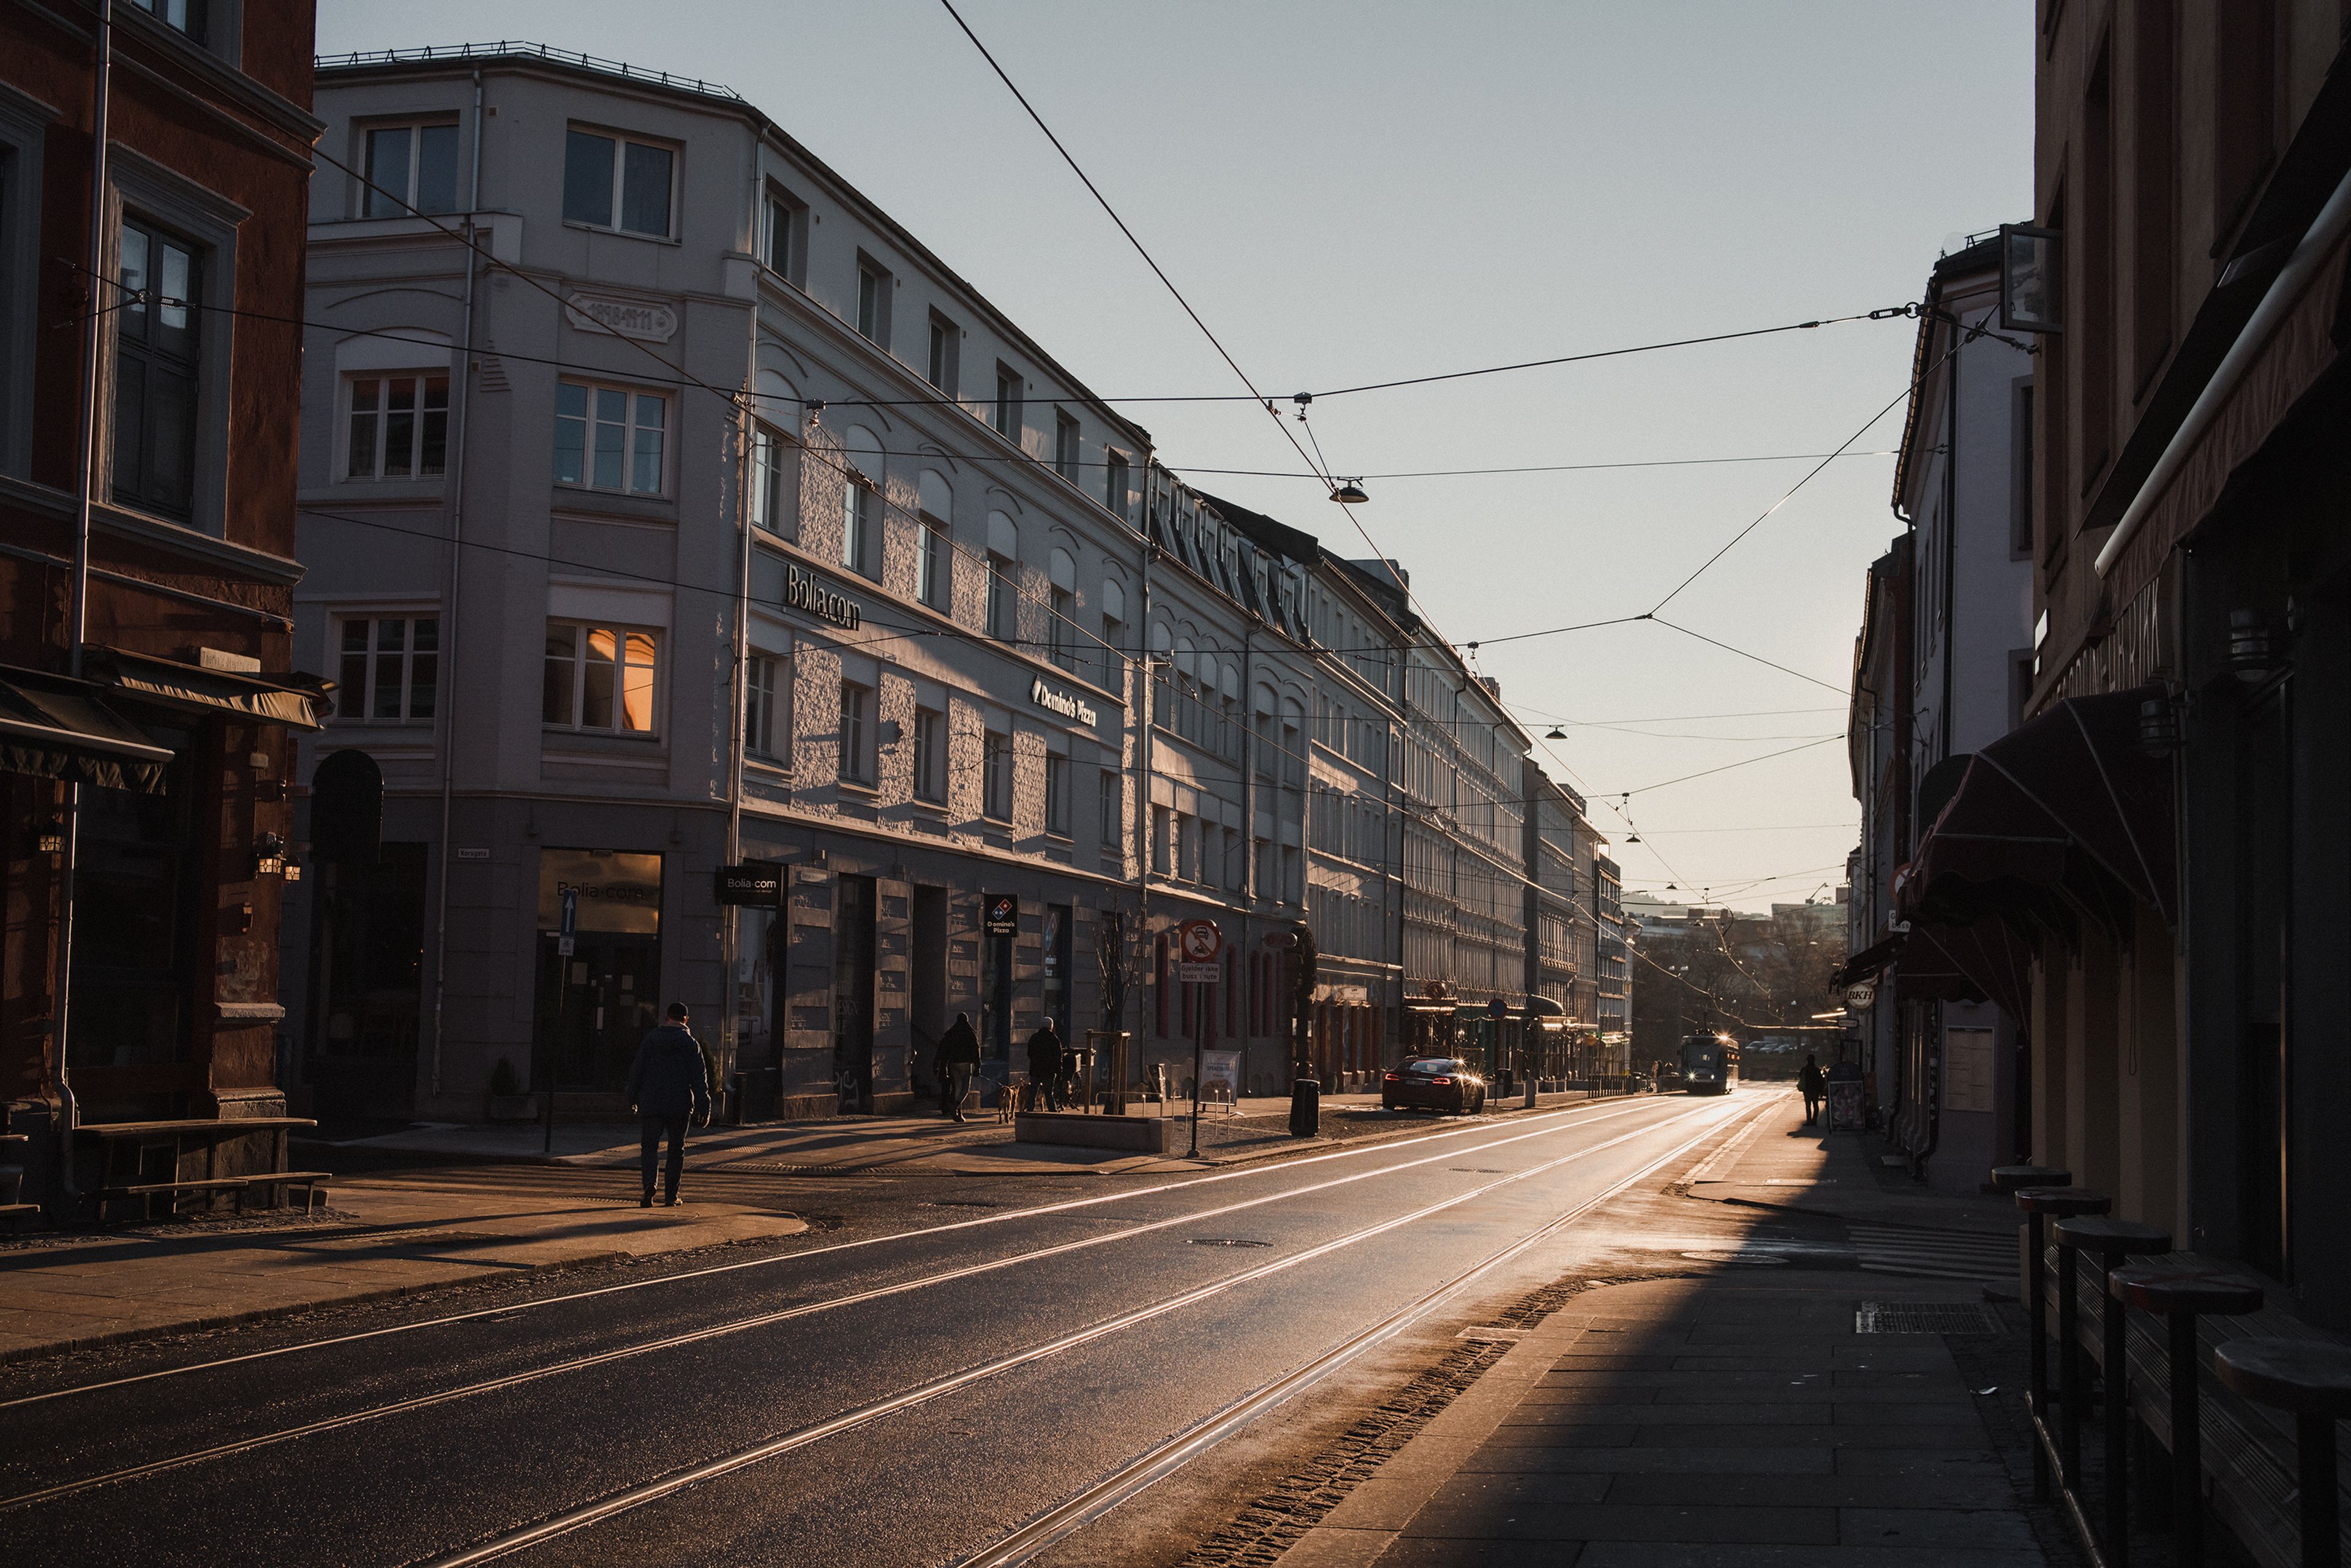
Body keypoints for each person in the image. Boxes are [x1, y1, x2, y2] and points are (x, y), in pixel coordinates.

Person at [626, 1002, 711, 1207]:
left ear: (667, 1018)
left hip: (652, 1101)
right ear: (686, 1020)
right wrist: (705, 1107)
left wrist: (633, 1098)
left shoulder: (651, 1040)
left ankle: (649, 1185)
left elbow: (637, 1070)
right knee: (676, 1149)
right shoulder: (691, 1044)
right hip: (679, 1104)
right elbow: (699, 1079)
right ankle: (672, 1196)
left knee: (649, 1146)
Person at [936, 1010, 981, 1120]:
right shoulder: (970, 1034)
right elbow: (976, 1051)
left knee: (957, 1088)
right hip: (966, 1064)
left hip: (953, 1064)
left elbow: (944, 1052)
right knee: (965, 1089)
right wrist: (978, 1066)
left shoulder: (950, 1034)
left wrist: (943, 1066)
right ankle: (955, 1105)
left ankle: (957, 1112)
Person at [1026, 1019, 1065, 1112]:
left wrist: (1036, 1062)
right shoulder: (1054, 1039)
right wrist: (1059, 1072)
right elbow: (1058, 1057)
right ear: (1051, 1026)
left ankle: (1030, 1110)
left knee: (1033, 1092)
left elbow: (1029, 1053)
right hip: (1049, 1072)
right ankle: (1052, 1111)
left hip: (1035, 1070)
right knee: (1048, 1093)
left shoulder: (1034, 1038)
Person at [1798, 1053, 1824, 1125]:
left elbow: (1800, 1077)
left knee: (1808, 1106)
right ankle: (1814, 1120)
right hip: (1816, 1090)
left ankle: (1809, 1120)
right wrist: (1821, 1091)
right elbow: (1821, 1081)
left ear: (1807, 1061)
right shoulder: (1817, 1070)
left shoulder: (1805, 1070)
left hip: (1807, 1090)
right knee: (1815, 1105)